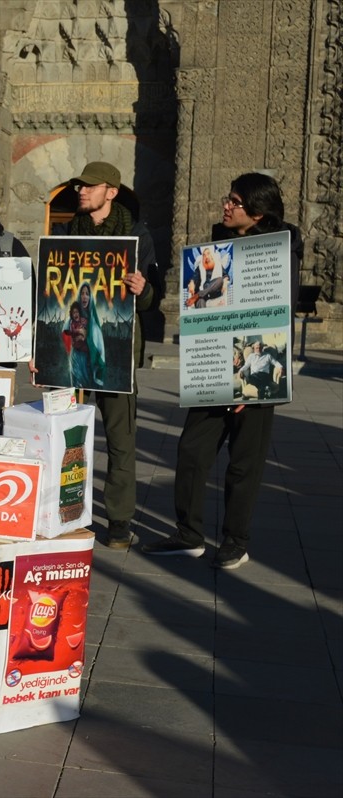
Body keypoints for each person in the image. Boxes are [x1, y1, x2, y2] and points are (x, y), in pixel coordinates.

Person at [144, 173, 303, 569]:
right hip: (215, 367)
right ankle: (188, 534)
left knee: (243, 462)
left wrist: (245, 381)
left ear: (258, 211)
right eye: (228, 199)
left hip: (256, 371)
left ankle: (235, 540)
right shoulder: (217, 247)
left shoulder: (280, 252)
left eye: (235, 201)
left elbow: (273, 317)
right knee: (192, 450)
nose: (226, 206)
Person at [49, 161, 158, 550]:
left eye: (91, 186)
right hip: (71, 357)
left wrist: (142, 289)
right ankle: (61, 511)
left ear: (111, 191)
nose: (82, 190)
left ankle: (118, 522)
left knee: (120, 440)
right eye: (80, 184)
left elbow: (149, 300)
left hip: (117, 353)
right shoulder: (63, 233)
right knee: (63, 437)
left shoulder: (136, 236)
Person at [62, 283, 106, 388]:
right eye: (82, 293)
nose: (84, 296)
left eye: (87, 293)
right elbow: (65, 333)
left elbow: (98, 343)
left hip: (88, 359)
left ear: (90, 297)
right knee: (76, 392)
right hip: (76, 357)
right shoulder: (72, 319)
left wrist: (87, 336)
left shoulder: (93, 321)